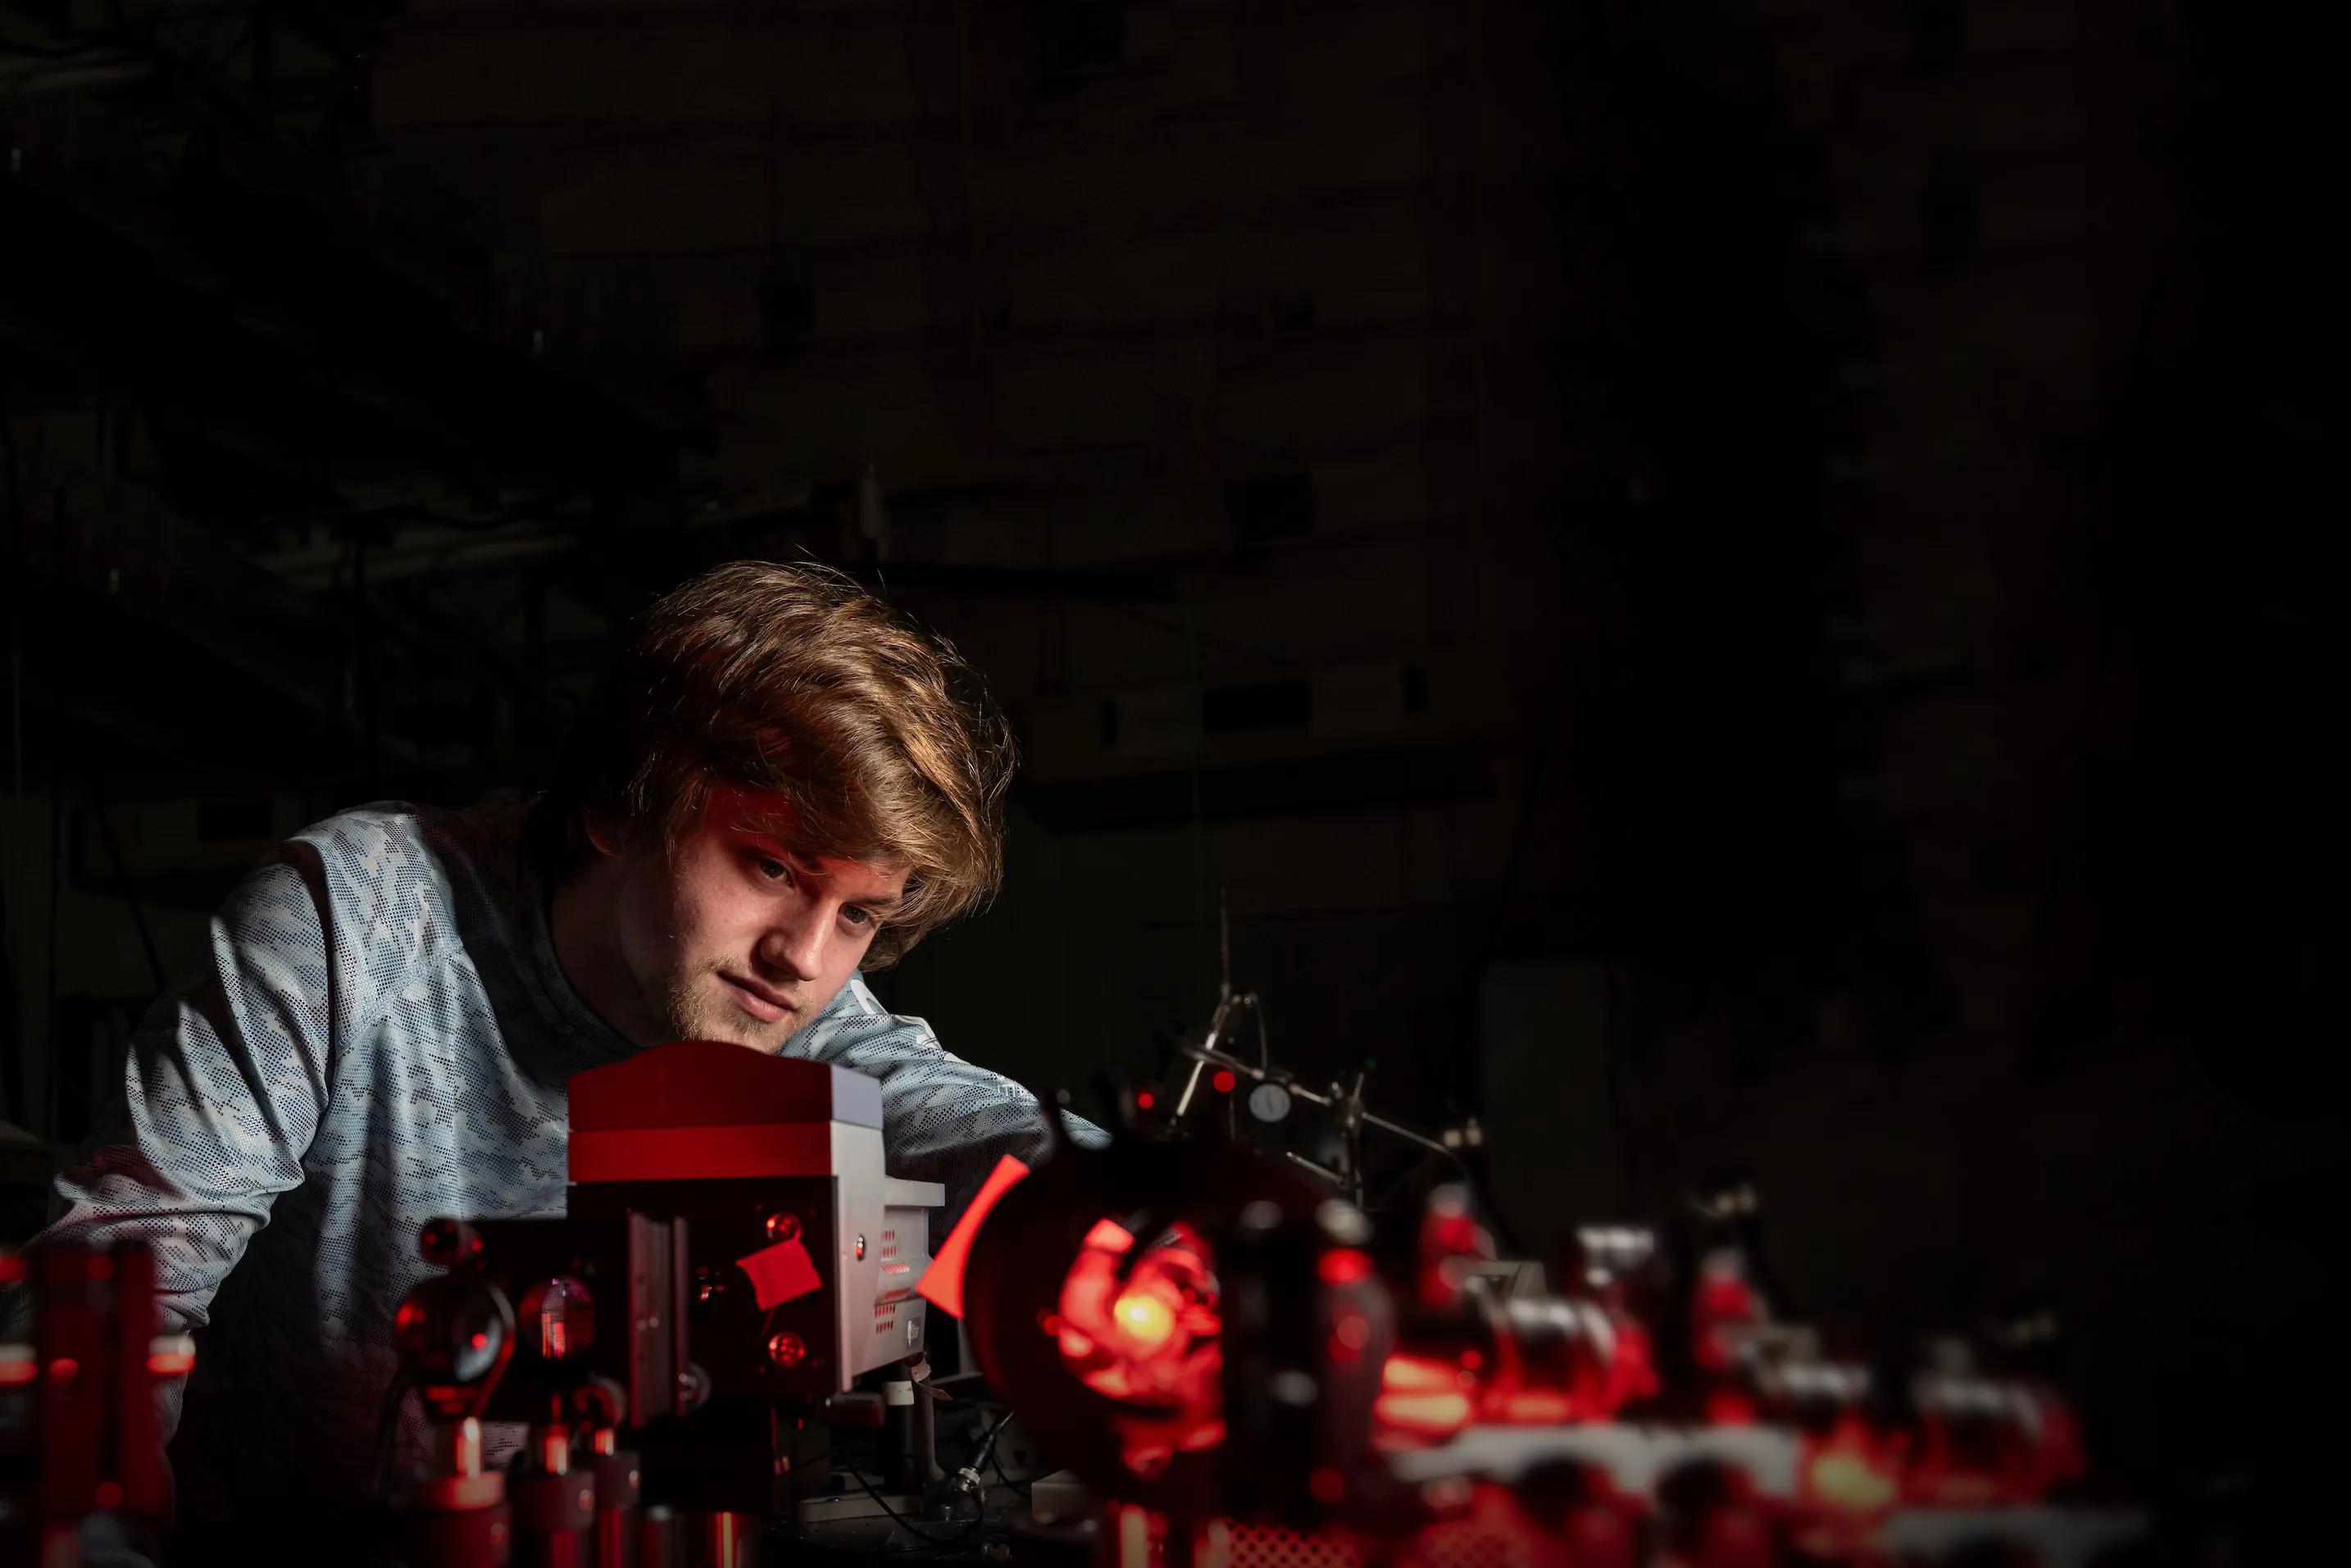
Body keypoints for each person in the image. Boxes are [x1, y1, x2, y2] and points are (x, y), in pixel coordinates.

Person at [9, 561, 1094, 1537]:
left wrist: (1150, 1196)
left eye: (856, 915)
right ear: (620, 805)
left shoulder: (794, 1006)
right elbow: (126, 1269)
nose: (804, 958)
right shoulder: (360, 915)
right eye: (770, 866)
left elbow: (946, 1112)